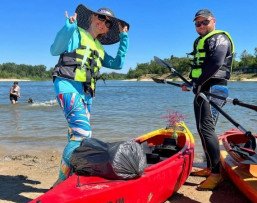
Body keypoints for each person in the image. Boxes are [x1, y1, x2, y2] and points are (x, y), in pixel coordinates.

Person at [50, 4, 129, 186]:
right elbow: (55, 50)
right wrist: (68, 27)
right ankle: (61, 182)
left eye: (109, 23)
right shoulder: (75, 33)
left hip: (86, 94)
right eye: (101, 18)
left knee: (75, 135)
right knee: (83, 133)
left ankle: (70, 173)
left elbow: (118, 64)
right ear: (92, 18)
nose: (104, 23)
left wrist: (124, 38)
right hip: (67, 84)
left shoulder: (99, 48)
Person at [182, 9, 235, 190]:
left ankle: (216, 174)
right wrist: (191, 83)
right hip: (202, 87)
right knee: (202, 128)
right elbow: (201, 67)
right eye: (197, 23)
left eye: (205, 22)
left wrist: (198, 83)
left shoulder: (220, 38)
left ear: (213, 21)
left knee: (206, 128)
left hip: (214, 88)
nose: (201, 26)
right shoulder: (200, 41)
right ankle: (209, 167)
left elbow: (216, 62)